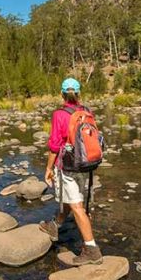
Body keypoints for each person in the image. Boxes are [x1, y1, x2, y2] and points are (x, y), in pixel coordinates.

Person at [39, 77, 102, 265]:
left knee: (77, 207)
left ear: (62, 94)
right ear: (79, 93)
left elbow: (55, 146)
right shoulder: (87, 111)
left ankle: (91, 249)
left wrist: (49, 168)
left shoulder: (59, 114)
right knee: (73, 198)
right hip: (87, 164)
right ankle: (55, 225)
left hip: (69, 166)